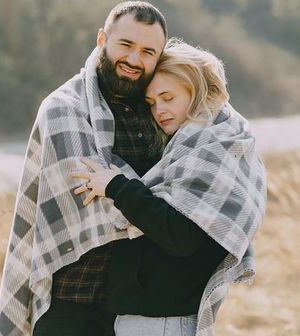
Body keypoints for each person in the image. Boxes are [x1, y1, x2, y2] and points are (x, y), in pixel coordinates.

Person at [0, 2, 169, 336]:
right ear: (102, 39)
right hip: (72, 301)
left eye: (148, 52)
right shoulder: (64, 109)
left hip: (141, 306)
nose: (134, 59)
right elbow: (96, 201)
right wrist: (170, 215)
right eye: (126, 45)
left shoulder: (159, 112)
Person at [70, 39, 267, 336]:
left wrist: (118, 187)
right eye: (151, 103)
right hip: (150, 319)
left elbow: (180, 235)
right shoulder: (187, 147)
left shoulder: (212, 147)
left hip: (163, 323)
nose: (159, 110)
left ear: (196, 92)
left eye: (168, 97)